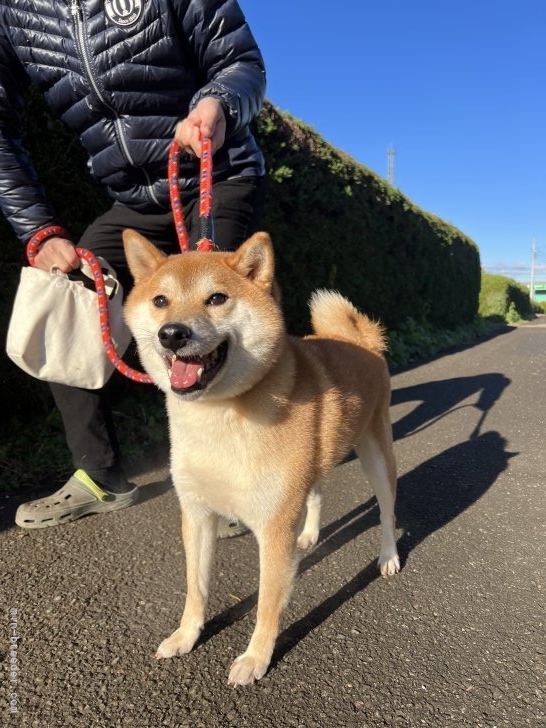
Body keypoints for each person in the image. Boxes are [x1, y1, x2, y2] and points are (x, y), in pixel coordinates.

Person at [0, 0, 266, 531]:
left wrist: (215, 103)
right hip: (134, 201)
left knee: (221, 316)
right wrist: (38, 231)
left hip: (215, 171)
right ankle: (99, 475)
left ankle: (247, 467)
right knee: (66, 302)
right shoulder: (12, 12)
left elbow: (240, 62)